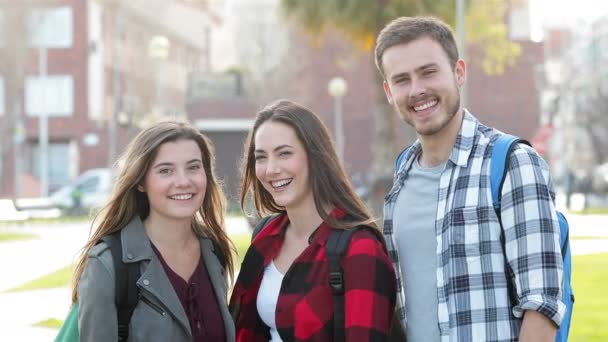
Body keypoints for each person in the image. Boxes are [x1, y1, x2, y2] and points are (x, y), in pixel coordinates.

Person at [374, 16, 566, 341]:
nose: (417, 90)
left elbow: (542, 307)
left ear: (459, 72)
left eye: (428, 72)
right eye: (402, 80)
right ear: (389, 92)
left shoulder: (512, 163)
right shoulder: (401, 176)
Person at [229, 100, 397, 341]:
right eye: (261, 157)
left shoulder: (360, 249)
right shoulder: (266, 235)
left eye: (284, 153)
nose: (271, 169)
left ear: (315, 156)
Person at [72, 121, 236, 341]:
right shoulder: (107, 265)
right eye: (166, 170)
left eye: (194, 167)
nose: (183, 181)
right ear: (141, 182)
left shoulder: (214, 251)